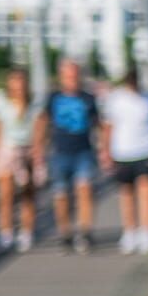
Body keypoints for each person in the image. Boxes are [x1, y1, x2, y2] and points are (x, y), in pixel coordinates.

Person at [37, 61, 105, 254]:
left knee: (85, 189)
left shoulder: (88, 98)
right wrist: (39, 149)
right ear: (61, 77)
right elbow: (43, 122)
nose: (72, 80)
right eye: (68, 76)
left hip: (83, 151)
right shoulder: (53, 98)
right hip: (59, 152)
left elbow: (98, 125)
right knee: (61, 195)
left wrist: (104, 150)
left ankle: (85, 232)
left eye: (74, 76)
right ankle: (65, 232)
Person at [98, 75, 148, 254]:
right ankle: (130, 231)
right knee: (126, 193)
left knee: (146, 190)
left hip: (147, 149)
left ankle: (147, 230)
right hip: (123, 151)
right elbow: (107, 126)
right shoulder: (116, 99)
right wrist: (105, 151)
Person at [0, 70, 41, 252]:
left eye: (21, 84)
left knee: (28, 194)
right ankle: (6, 232)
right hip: (6, 150)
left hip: (27, 150)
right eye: (14, 84)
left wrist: (38, 152)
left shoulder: (34, 106)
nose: (18, 88)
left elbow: (40, 130)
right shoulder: (3, 105)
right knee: (5, 194)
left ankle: (27, 231)